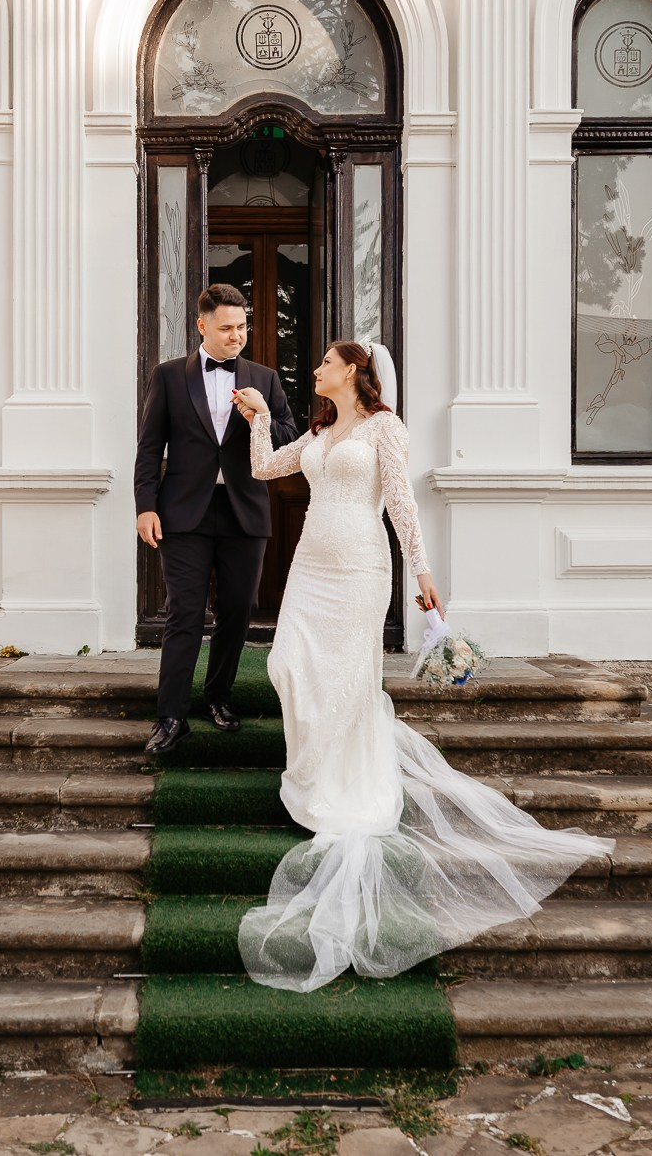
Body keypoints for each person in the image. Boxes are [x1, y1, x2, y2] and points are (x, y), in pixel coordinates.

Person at [228, 341, 615, 992]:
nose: (315, 369)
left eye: (324, 361)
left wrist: (424, 572)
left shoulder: (386, 428)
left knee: (347, 678)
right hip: (311, 567)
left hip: (359, 565)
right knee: (290, 662)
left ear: (353, 370)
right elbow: (266, 467)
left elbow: (401, 504)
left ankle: (338, 782)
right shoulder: (321, 428)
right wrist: (260, 417)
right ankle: (313, 767)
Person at [133, 283, 300, 756]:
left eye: (242, 326)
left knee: (237, 611)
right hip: (182, 511)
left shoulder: (265, 378)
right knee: (184, 612)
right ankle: (170, 716)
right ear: (202, 325)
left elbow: (290, 439)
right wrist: (145, 505)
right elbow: (150, 447)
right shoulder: (167, 376)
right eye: (226, 327)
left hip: (245, 510)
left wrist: (259, 416)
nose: (236, 336)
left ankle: (219, 697)